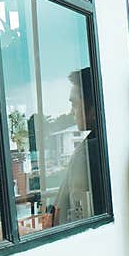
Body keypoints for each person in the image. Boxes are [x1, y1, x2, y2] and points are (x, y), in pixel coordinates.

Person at [51, 67, 104, 225]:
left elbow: (77, 211)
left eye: (74, 104)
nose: (71, 111)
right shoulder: (109, 145)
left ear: (93, 110)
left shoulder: (88, 152)